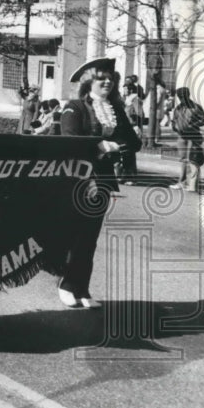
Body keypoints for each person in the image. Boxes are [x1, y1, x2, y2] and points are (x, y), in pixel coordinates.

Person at [59, 57, 141, 308]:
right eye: (101, 77)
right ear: (89, 82)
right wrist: (99, 146)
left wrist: (117, 147)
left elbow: (134, 143)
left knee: (89, 237)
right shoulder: (75, 107)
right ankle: (66, 284)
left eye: (110, 78)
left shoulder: (115, 109)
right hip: (77, 179)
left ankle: (82, 289)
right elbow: (69, 140)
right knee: (73, 233)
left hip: (103, 179)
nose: (107, 81)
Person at [170, 86, 204, 193]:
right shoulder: (178, 108)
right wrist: (174, 126)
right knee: (183, 160)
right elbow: (174, 120)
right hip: (181, 137)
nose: (181, 99)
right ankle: (181, 182)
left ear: (188, 96)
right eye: (179, 97)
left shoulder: (196, 107)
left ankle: (192, 184)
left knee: (193, 160)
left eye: (183, 96)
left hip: (193, 136)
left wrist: (193, 124)